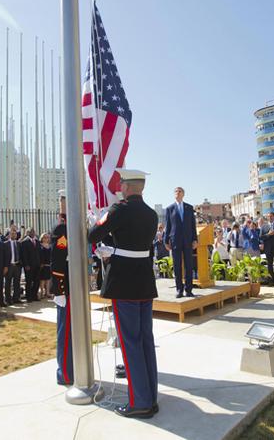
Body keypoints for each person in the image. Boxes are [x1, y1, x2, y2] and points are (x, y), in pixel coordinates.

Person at [88, 168, 159, 419]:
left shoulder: (119, 210)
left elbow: (93, 234)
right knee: (145, 341)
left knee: (130, 343)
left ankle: (139, 402)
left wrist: (102, 219)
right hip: (144, 282)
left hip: (125, 283)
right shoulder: (151, 214)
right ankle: (151, 397)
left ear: (127, 187)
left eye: (122, 185)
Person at [50, 190, 73, 385]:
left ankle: (73, 369)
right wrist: (59, 290)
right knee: (65, 333)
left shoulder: (72, 227)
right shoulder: (61, 229)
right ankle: (65, 373)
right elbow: (56, 262)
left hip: (75, 287)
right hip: (66, 288)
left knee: (73, 332)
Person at [164, 187, 198, 298]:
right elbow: (168, 226)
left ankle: (189, 290)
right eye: (176, 191)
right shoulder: (170, 208)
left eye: (180, 191)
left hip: (188, 240)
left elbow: (193, 225)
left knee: (189, 265)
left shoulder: (189, 208)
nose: (177, 193)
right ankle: (179, 290)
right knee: (177, 266)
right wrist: (166, 240)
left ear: (183, 194)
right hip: (175, 241)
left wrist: (195, 239)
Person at [260, 212, 274, 286]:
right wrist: (269, 234)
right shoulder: (263, 226)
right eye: (269, 216)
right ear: (267, 217)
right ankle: (271, 281)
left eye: (271, 216)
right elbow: (261, 237)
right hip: (268, 249)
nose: (270, 218)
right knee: (269, 266)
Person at [2, 228, 22, 304]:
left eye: (15, 234)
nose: (14, 235)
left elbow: (21, 255)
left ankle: (16, 298)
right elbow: (3, 256)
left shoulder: (19, 243)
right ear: (9, 235)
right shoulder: (5, 244)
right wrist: (5, 266)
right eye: (12, 234)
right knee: (8, 283)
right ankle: (8, 299)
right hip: (9, 266)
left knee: (17, 283)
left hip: (17, 265)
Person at [20, 227, 41, 302]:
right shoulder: (24, 242)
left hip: (37, 265)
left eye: (33, 231)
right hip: (29, 265)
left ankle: (34, 295)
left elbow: (39, 253)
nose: (33, 233)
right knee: (29, 281)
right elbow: (24, 255)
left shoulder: (37, 241)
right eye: (31, 231)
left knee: (37, 281)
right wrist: (26, 265)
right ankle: (28, 297)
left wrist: (40, 263)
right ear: (28, 233)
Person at [38, 233, 52, 300]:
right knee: (42, 279)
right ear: (42, 238)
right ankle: (42, 293)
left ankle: (47, 292)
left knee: (48, 279)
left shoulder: (50, 246)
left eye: (47, 237)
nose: (46, 239)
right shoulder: (40, 246)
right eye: (45, 237)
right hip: (42, 265)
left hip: (48, 265)